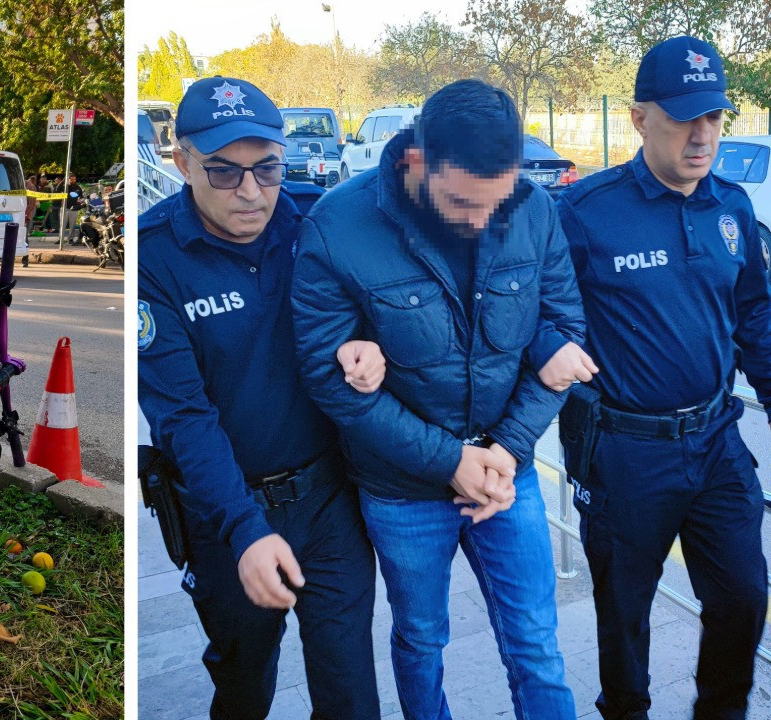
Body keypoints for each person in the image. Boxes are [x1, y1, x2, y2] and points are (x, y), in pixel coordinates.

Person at [292, 79, 588, 719]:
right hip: (402, 488)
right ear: (416, 162)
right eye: (461, 202)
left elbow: (564, 335)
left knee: (537, 643)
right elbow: (329, 380)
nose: (482, 220)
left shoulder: (533, 210)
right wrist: (449, 460)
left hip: (509, 473)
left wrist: (507, 450)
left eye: (496, 201)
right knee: (422, 639)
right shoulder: (338, 226)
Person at [139, 76, 383, 719]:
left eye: (266, 168)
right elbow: (183, 418)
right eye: (223, 172)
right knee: (245, 684)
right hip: (227, 512)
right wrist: (246, 531)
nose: (251, 192)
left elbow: (378, 302)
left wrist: (371, 344)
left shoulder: (315, 222)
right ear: (182, 161)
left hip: (331, 499)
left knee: (351, 688)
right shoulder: (153, 257)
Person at [552, 36, 771, 720]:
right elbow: (531, 309)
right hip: (624, 453)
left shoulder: (732, 208)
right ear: (642, 118)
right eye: (683, 118)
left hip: (715, 442)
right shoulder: (584, 212)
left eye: (713, 117)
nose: (701, 134)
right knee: (625, 615)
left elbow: (755, 312)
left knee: (743, 595)